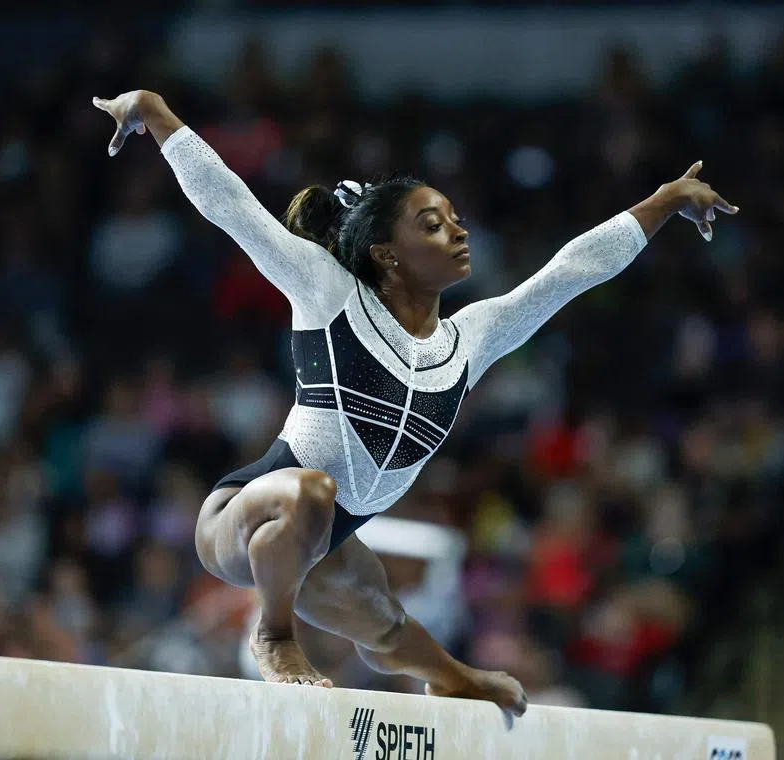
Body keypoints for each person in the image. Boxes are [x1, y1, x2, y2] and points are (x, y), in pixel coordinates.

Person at [93, 89, 737, 716]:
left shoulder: (469, 340)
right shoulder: (329, 294)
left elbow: (571, 271)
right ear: (387, 254)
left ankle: (453, 679)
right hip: (244, 517)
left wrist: (665, 200)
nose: (457, 231)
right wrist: (154, 112)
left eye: (455, 218)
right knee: (312, 492)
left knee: (387, 627)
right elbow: (231, 204)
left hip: (323, 541)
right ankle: (274, 637)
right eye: (432, 223)